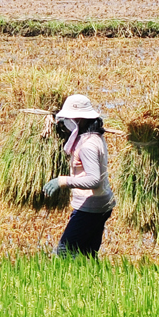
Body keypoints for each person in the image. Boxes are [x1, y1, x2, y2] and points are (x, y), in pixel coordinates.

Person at [42, 94, 114, 256]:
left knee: (64, 251)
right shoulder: (92, 136)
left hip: (91, 208)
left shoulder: (88, 145)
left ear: (79, 120)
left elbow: (94, 180)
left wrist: (61, 181)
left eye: (69, 119)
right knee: (87, 254)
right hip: (99, 204)